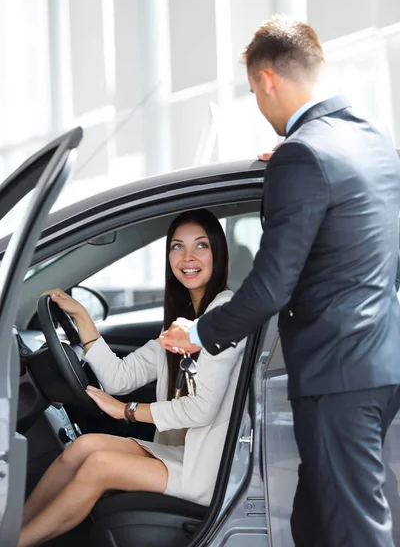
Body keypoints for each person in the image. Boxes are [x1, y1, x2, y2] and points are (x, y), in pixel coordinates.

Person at [159, 15, 400, 547]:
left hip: (337, 375)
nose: (259, 104)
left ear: (267, 79)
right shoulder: (373, 143)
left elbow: (270, 288)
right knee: (317, 523)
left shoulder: (304, 155)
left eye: (252, 91)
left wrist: (196, 334)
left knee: (356, 530)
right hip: (378, 367)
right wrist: (290, 172)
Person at [18, 209, 245, 547]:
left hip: (209, 469)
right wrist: (82, 316)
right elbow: (120, 378)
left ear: (218, 253)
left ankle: (17, 542)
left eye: (201, 246)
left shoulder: (223, 315)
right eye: (177, 247)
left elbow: (201, 410)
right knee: (84, 446)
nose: (187, 257)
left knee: (99, 465)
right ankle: (11, 529)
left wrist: (126, 411)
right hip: (184, 454)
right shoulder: (183, 319)